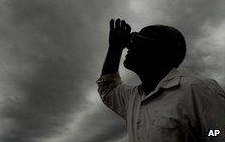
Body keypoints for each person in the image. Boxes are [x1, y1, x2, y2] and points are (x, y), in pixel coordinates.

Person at [96, 19, 225, 142]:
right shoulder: (133, 98)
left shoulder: (198, 90)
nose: (128, 44)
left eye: (135, 38)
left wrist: (207, 132)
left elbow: (218, 132)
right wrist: (115, 47)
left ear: (158, 48)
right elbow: (108, 87)